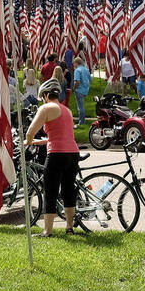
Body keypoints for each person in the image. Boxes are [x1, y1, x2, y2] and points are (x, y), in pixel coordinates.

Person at [25, 79, 79, 237]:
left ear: (46, 95)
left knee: (50, 191)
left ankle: (47, 231)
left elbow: (30, 132)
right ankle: (69, 227)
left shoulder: (46, 108)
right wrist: (40, 142)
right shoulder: (66, 110)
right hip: (72, 153)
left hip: (56, 154)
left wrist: (28, 142)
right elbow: (63, 136)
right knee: (68, 190)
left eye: (42, 97)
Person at [72, 56, 92, 125]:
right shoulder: (86, 69)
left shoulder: (77, 70)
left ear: (76, 63)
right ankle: (82, 120)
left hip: (79, 90)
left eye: (74, 63)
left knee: (80, 107)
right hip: (85, 89)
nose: (73, 65)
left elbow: (77, 81)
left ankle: (81, 122)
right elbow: (90, 79)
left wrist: (74, 88)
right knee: (81, 106)